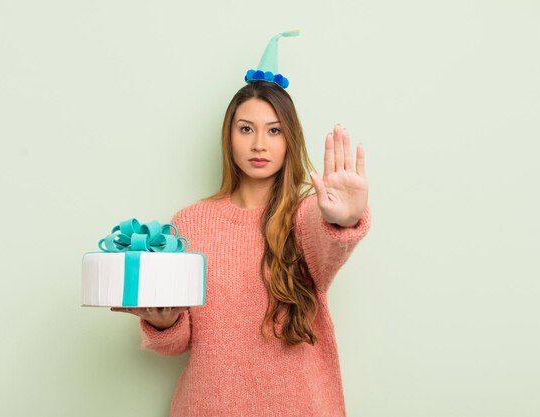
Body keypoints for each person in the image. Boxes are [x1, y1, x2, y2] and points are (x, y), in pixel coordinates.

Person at [112, 32, 370, 417]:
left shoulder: (306, 215)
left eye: (274, 130)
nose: (259, 145)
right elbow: (182, 343)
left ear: (289, 139)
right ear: (228, 136)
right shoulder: (190, 222)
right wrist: (162, 322)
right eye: (246, 128)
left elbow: (331, 241)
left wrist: (344, 219)